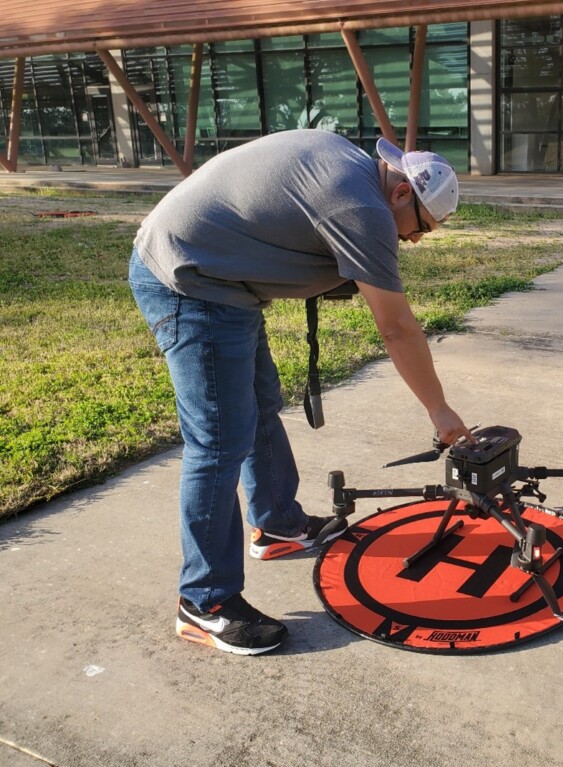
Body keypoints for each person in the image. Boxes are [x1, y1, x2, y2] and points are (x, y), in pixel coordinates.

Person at [128, 131, 474, 655]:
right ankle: (204, 603)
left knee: (260, 408)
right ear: (402, 193)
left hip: (223, 279)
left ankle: (276, 526)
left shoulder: (352, 167)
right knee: (218, 444)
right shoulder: (360, 206)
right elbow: (396, 328)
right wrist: (439, 409)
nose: (415, 240)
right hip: (187, 281)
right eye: (421, 229)